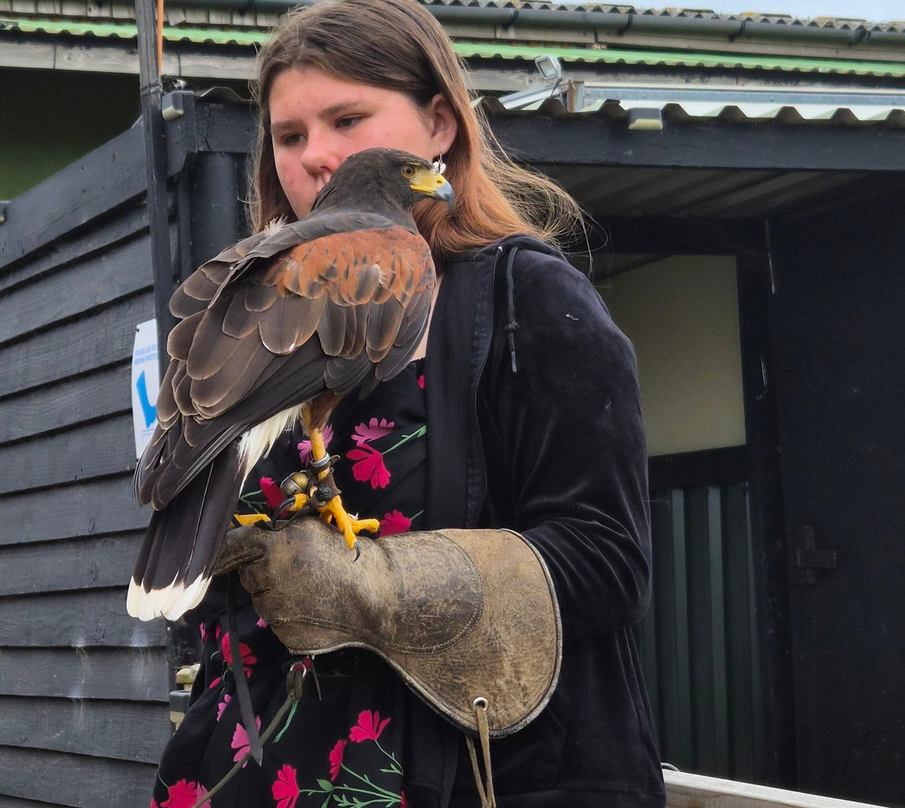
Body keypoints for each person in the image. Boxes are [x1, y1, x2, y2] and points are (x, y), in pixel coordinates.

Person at [147, 0, 664, 806]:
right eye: (289, 136)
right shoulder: (264, 298)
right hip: (265, 767)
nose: (316, 156)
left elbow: (609, 564)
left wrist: (379, 589)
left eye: (348, 119)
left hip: (467, 775)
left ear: (438, 126)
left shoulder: (530, 301)